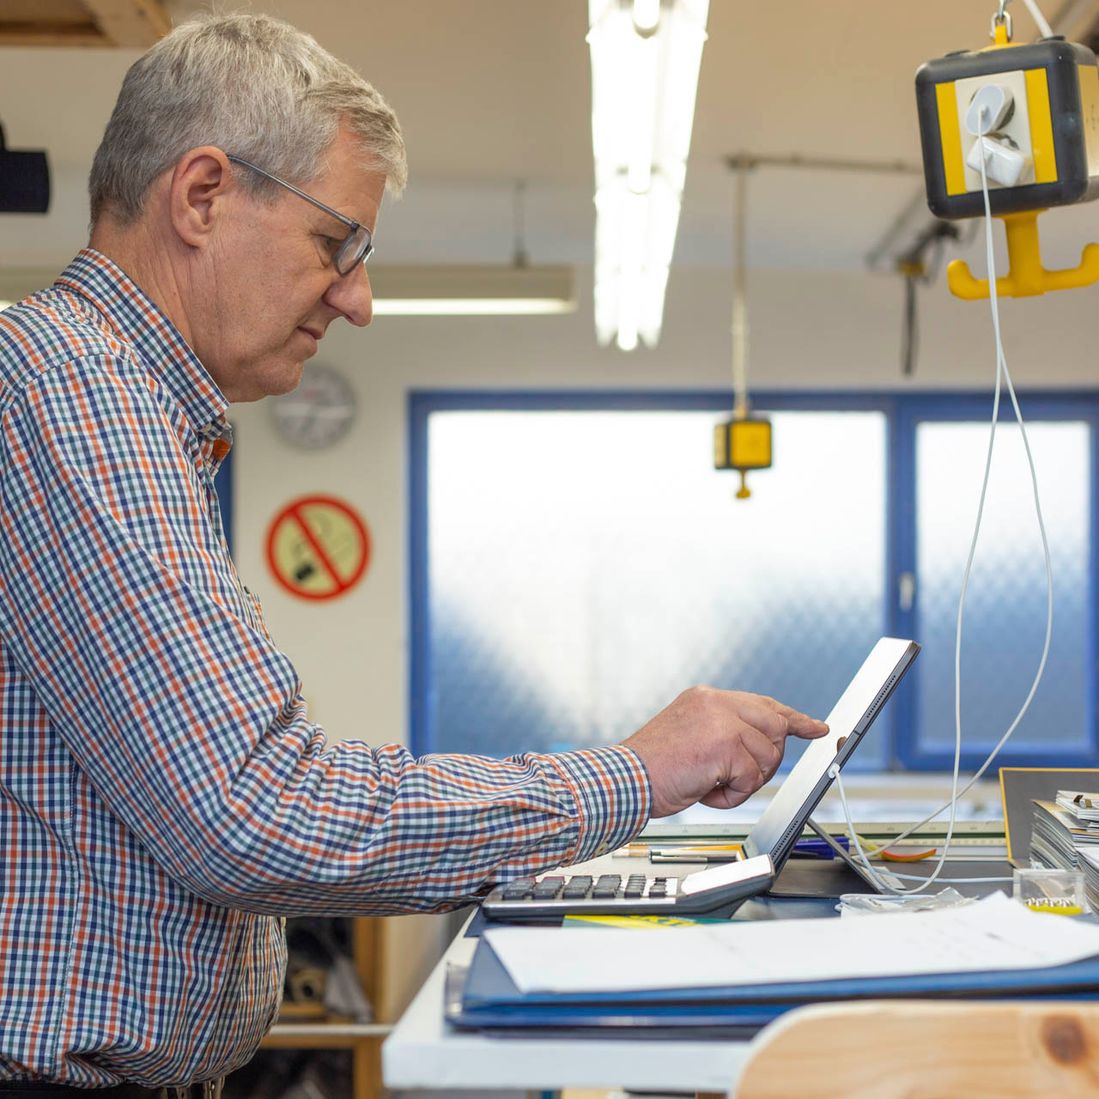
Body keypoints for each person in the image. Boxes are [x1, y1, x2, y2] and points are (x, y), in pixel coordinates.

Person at [0, 12, 828, 1094]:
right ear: (201, 196)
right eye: (333, 244)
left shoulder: (126, 408)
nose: (357, 298)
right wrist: (634, 774)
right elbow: (254, 813)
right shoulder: (75, 395)